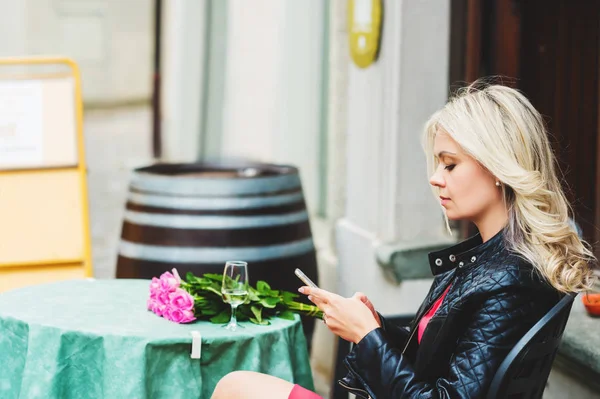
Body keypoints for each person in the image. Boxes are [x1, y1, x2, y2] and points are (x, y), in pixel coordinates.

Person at [210, 80, 597, 399]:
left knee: (235, 387)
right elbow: (439, 355)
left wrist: (366, 337)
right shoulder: (491, 259)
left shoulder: (510, 279)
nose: (435, 177)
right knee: (237, 385)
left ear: (498, 165)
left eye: (450, 164)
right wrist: (373, 325)